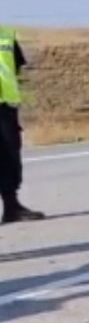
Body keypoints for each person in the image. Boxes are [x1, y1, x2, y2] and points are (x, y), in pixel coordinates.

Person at [0, 24, 44, 223]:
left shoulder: (6, 36)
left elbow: (14, 68)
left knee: (9, 157)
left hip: (5, 107)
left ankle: (11, 207)